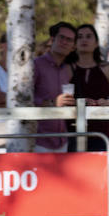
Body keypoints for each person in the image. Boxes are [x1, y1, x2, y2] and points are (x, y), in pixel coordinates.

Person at [69, 23, 109, 145]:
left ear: (96, 43)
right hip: (70, 133)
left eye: (88, 36)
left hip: (100, 133)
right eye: (80, 37)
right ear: (75, 43)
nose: (84, 40)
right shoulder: (67, 67)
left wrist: (107, 103)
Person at [34, 22, 75, 152]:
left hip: (62, 141)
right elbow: (22, 100)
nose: (64, 42)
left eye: (69, 40)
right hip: (38, 141)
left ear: (73, 47)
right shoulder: (35, 65)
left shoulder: (66, 70)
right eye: (61, 37)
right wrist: (53, 103)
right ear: (52, 40)